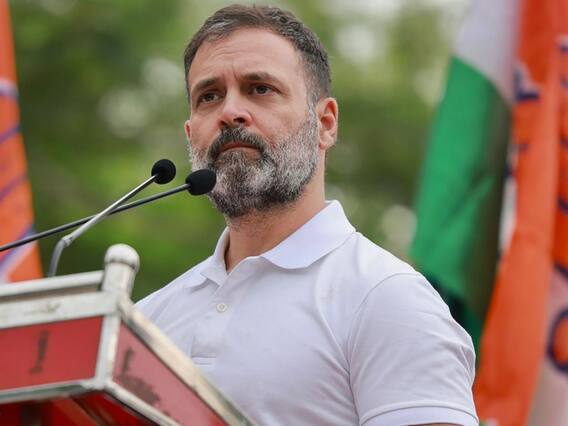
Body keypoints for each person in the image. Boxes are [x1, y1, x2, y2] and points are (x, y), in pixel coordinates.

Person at [137, 5, 478, 425]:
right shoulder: (145, 320)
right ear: (191, 133)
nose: (230, 112)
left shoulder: (387, 298)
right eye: (209, 96)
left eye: (260, 88)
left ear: (325, 123)